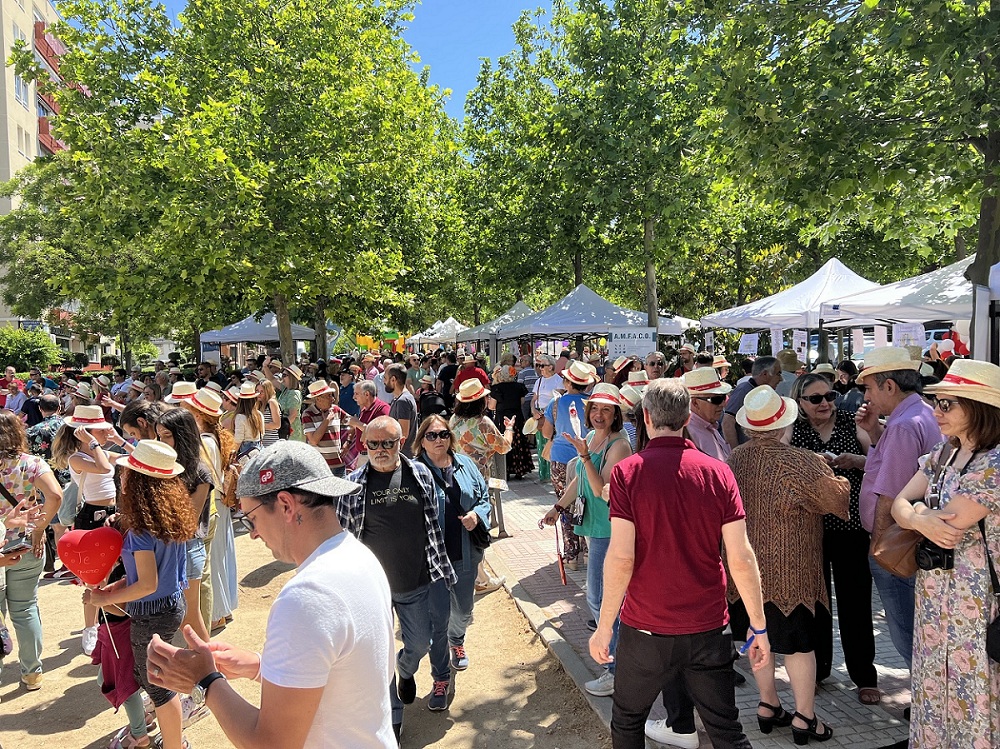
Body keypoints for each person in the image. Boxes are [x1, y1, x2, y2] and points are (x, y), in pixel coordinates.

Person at [147, 440, 396, 749]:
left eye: (251, 518)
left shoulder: (306, 597)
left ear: (286, 505)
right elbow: (351, 674)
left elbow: (272, 744)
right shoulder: (359, 556)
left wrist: (205, 681)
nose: (252, 533)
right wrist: (260, 666)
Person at [589, 379, 770, 749]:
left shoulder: (628, 473)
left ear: (646, 417)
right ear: (687, 417)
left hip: (646, 628)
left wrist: (604, 627)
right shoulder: (719, 472)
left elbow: (621, 558)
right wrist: (759, 625)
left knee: (627, 721)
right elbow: (740, 556)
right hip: (708, 627)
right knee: (727, 731)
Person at [728, 386, 850, 745]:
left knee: (756, 636)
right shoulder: (799, 460)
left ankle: (768, 704)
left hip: (745, 569)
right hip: (792, 571)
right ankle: (805, 716)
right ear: (784, 424)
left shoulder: (734, 458)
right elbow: (835, 500)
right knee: (799, 646)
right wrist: (839, 477)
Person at [890, 359, 1000, 747]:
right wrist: (920, 517)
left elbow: (952, 522)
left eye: (947, 404)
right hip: (935, 593)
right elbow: (899, 504)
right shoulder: (943, 452)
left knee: (974, 687)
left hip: (977, 597)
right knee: (934, 681)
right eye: (937, 402)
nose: (936, 411)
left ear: (979, 408)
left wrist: (915, 514)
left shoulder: (994, 462)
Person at [340, 416, 456, 736]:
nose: (380, 449)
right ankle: (393, 713)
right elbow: (343, 538)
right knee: (380, 652)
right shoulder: (352, 485)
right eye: (373, 443)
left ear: (400, 442)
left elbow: (432, 526)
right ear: (365, 445)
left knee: (419, 644)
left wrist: (441, 567)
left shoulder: (421, 474)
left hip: (413, 581)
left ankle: (405, 670)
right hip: (372, 588)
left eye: (388, 443)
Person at [85, 441, 196, 749]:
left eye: (126, 473)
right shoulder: (168, 516)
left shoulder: (141, 530)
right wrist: (120, 586)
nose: (121, 477)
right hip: (170, 604)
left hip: (152, 613)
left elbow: (147, 583)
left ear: (138, 482)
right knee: (153, 677)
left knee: (157, 685)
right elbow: (154, 575)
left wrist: (104, 599)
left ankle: (175, 744)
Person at [788, 373, 879, 702]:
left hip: (851, 529)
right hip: (809, 529)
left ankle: (864, 675)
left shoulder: (850, 422)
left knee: (856, 603)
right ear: (800, 402)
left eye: (829, 396)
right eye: (815, 399)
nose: (825, 403)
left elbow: (880, 460)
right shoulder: (793, 428)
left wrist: (858, 461)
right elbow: (780, 466)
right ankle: (817, 670)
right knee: (815, 603)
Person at [543, 383, 631, 697]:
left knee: (600, 600)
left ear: (616, 413)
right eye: (595, 408)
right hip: (594, 528)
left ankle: (617, 670)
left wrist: (584, 455)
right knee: (603, 600)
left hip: (609, 530)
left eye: (606, 409)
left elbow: (598, 488)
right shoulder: (593, 437)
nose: (599, 414)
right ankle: (620, 665)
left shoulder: (619, 445)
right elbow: (580, 478)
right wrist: (557, 507)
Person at [857, 346, 941, 669]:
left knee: (907, 635)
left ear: (889, 386)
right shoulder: (920, 413)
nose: (867, 396)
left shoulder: (904, 424)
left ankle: (923, 696)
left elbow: (890, 494)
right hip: (911, 538)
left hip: (898, 543)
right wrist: (874, 432)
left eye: (869, 388)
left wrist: (878, 547)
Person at [415, 415, 492, 680]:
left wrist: (477, 515)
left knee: (464, 609)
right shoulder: (414, 471)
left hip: (464, 552)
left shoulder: (465, 464)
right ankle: (441, 666)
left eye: (443, 434)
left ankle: (456, 639)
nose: (438, 440)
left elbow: (483, 497)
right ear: (422, 440)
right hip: (430, 556)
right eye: (432, 435)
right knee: (437, 611)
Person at [0, 410, 62, 691]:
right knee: (25, 608)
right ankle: (32, 672)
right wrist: (39, 529)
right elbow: (56, 495)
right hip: (26, 543)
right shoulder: (32, 463)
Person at [50, 405, 119, 655]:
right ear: (84, 433)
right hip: (92, 516)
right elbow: (104, 468)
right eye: (99, 430)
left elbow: (133, 458)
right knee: (94, 578)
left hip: (112, 514)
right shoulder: (77, 458)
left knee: (115, 572)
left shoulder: (99, 451)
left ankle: (107, 622)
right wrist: (94, 443)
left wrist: (117, 439)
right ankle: (90, 628)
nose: (104, 433)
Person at [155, 408, 214, 644]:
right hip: (166, 547)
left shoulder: (199, 472)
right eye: (159, 435)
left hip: (187, 548)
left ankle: (211, 663)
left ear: (183, 435)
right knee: (181, 616)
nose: (162, 441)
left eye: (167, 435)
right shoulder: (164, 467)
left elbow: (189, 519)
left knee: (188, 617)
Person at [541, 361, 594, 569]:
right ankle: (588, 551)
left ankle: (571, 555)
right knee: (586, 502)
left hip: (561, 459)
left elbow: (546, 432)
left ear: (568, 382)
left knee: (564, 505)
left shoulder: (555, 404)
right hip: (586, 458)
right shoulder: (591, 404)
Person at [722, 356, 782, 449]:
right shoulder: (743, 390)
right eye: (778, 374)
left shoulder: (764, 392)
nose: (781, 379)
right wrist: (736, 452)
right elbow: (727, 422)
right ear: (765, 374)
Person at [490, 365, 533, 479]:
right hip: (516, 417)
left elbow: (491, 406)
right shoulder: (519, 386)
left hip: (502, 418)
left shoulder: (497, 388)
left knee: (504, 441)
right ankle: (520, 470)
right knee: (518, 443)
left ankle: (506, 470)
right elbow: (522, 401)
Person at [682, 368, 732, 461]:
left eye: (723, 398)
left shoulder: (709, 425)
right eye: (716, 400)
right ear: (695, 403)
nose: (723, 404)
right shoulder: (688, 432)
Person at [300, 380, 347, 476]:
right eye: (329, 396)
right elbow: (313, 440)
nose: (332, 399)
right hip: (318, 467)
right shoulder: (308, 414)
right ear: (318, 399)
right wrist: (326, 420)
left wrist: (348, 443)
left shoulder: (336, 410)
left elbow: (352, 423)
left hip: (338, 465)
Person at [343, 380, 390, 470]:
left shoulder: (382, 409)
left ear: (367, 394)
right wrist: (349, 441)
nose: (354, 397)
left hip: (375, 457)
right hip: (363, 456)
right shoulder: (365, 409)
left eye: (356, 394)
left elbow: (381, 433)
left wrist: (357, 423)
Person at [530, 355, 562, 482]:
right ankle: (542, 474)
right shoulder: (539, 381)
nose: (540, 368)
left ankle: (551, 473)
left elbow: (558, 399)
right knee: (540, 444)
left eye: (542, 365)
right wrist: (533, 410)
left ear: (551, 367)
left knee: (551, 442)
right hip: (540, 416)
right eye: (538, 366)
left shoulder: (558, 380)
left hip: (552, 416)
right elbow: (533, 399)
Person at [385, 364, 419, 457]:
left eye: (385, 378)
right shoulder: (399, 399)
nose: (384, 381)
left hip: (403, 456)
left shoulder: (403, 401)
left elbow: (403, 434)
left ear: (393, 379)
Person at [255, 378, 282, 448]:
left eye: (262, 391)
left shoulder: (272, 402)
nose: (259, 394)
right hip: (260, 444)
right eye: (257, 391)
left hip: (271, 443)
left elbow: (277, 424)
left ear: (267, 392)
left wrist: (258, 426)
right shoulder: (258, 404)